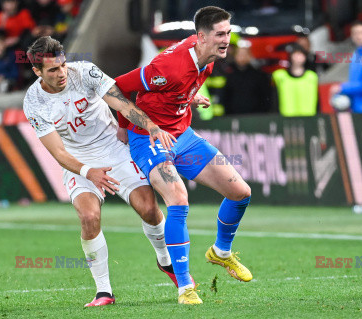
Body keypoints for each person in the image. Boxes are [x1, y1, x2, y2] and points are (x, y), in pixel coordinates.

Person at [23, 36, 179, 307]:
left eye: (62, 65)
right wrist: (88, 171)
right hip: (77, 160)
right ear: (37, 72)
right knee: (89, 216)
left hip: (114, 149)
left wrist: (152, 126)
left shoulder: (85, 72)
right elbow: (58, 153)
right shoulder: (34, 102)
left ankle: (165, 261)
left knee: (149, 209)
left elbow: (122, 104)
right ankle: (104, 292)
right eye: (52, 70)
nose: (61, 73)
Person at [115, 6, 252, 305]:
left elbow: (174, 90)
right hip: (150, 139)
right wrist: (125, 126)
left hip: (183, 135)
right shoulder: (168, 66)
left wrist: (191, 97)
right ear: (200, 37)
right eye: (220, 34)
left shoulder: (209, 57)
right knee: (178, 199)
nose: (227, 39)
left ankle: (221, 253)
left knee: (240, 192)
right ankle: (185, 286)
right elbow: (118, 88)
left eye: (229, 32)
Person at [271, 43, 318, 117]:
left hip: (309, 117)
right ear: (290, 56)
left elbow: (318, 100)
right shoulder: (279, 76)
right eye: (296, 54)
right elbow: (274, 99)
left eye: (300, 54)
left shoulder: (311, 77)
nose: (298, 58)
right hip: (285, 118)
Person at [223, 45, 271, 114]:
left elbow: (265, 98)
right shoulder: (229, 76)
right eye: (239, 54)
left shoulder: (259, 76)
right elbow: (225, 98)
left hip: (255, 116)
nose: (242, 57)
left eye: (245, 54)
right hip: (234, 116)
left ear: (250, 56)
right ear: (235, 56)